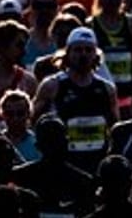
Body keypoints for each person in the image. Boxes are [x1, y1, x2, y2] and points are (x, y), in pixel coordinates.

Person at [31, 27, 120, 175]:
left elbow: (115, 128)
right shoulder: (52, 86)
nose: (83, 55)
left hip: (97, 161)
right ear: (68, 53)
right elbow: (34, 121)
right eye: (77, 50)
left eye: (88, 50)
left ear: (96, 55)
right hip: (65, 165)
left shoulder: (107, 89)